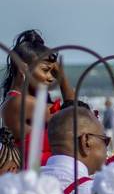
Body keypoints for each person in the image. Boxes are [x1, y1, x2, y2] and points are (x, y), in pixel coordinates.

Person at [1, 30, 74, 166]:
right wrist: (62, 76)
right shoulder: (21, 102)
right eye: (46, 70)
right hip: (34, 180)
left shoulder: (13, 99)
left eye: (54, 72)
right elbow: (73, 115)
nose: (52, 77)